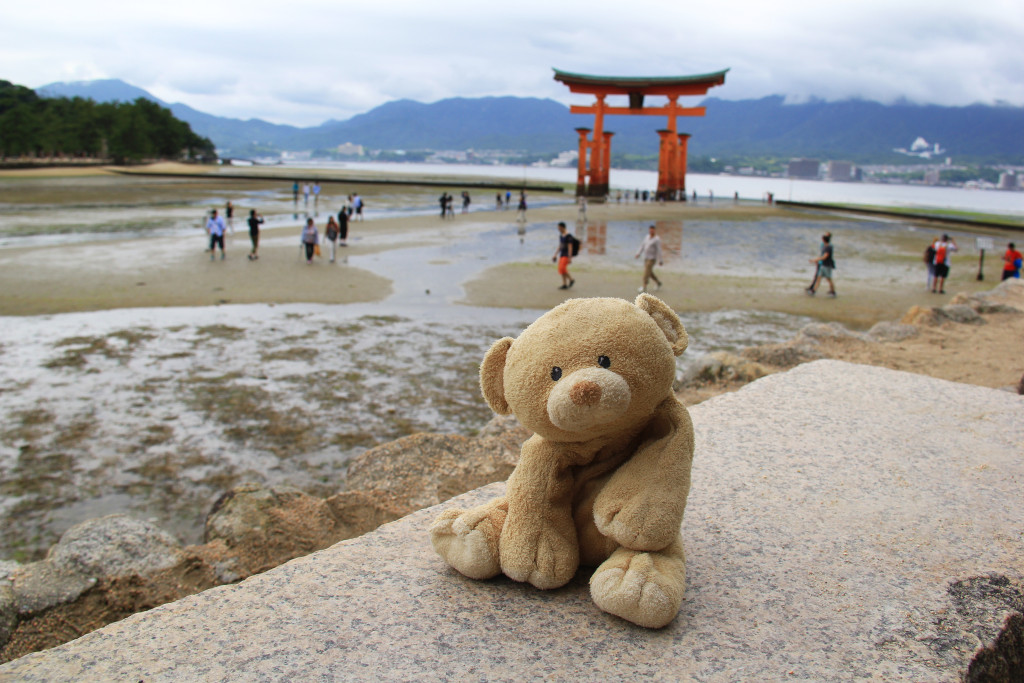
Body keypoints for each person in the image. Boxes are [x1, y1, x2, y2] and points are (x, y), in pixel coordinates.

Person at [635, 224, 663, 292]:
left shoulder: (656, 239)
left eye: (652, 230)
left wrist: (660, 260)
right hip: (646, 258)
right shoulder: (647, 237)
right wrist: (638, 253)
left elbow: (659, 250)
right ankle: (658, 282)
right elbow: (642, 245)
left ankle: (644, 286)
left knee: (646, 273)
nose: (651, 231)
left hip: (652, 259)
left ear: (654, 230)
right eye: (650, 230)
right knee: (649, 272)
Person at [806, 233, 836, 297]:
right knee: (818, 278)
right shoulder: (825, 246)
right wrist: (817, 260)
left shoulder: (828, 247)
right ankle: (813, 291)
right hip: (823, 265)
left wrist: (815, 260)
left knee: (829, 279)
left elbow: (824, 257)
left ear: (824, 240)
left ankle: (833, 292)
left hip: (827, 266)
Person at [552, 222, 575, 290]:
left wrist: (570, 257)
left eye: (559, 227)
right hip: (562, 254)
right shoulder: (561, 236)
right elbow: (560, 246)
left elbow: (570, 247)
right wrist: (555, 254)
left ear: (562, 227)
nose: (558, 229)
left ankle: (571, 279)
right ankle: (564, 284)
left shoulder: (569, 236)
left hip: (566, 255)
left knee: (562, 268)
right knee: (561, 269)